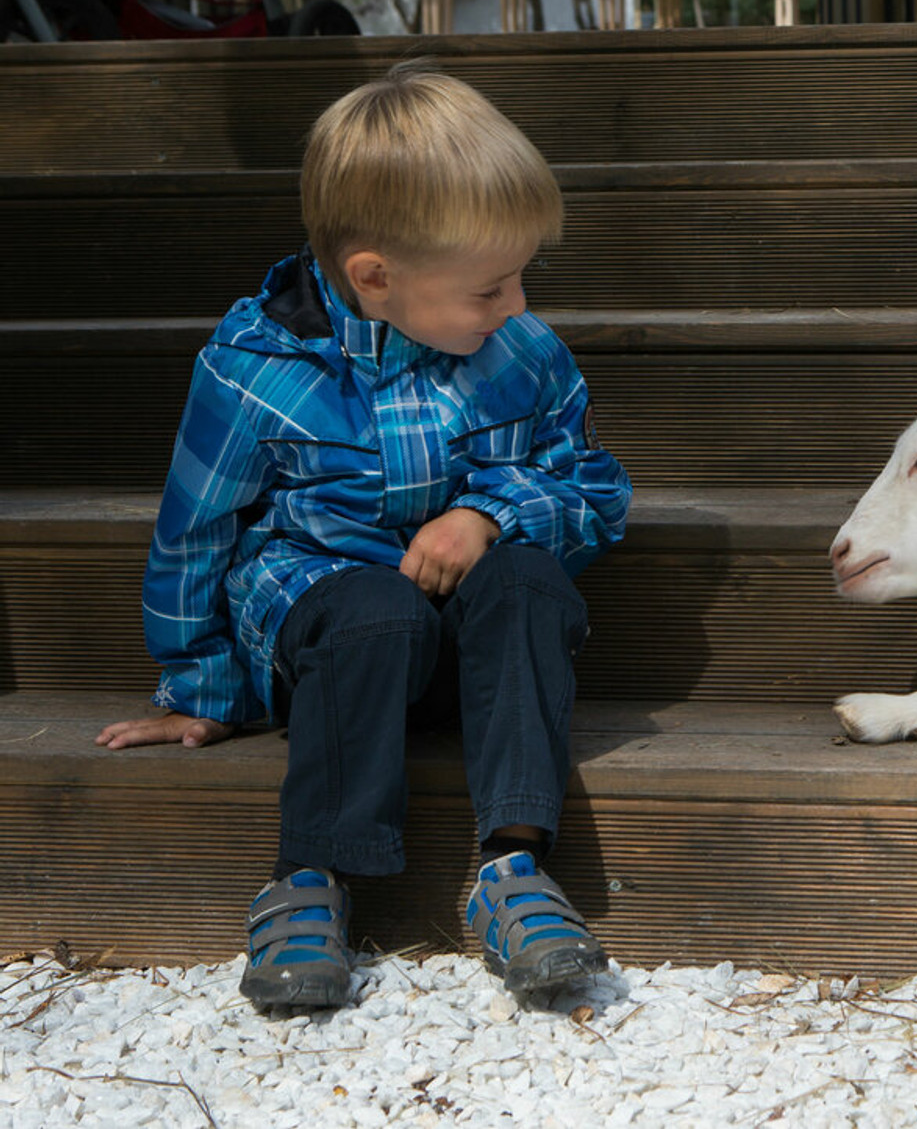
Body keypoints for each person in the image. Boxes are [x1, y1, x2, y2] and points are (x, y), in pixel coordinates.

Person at [96, 60, 632, 1009]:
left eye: (520, 278)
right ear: (375, 279)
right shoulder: (256, 369)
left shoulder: (523, 354)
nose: (515, 304)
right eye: (488, 288)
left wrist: (489, 514)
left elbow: (593, 486)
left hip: (471, 649)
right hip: (334, 642)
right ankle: (310, 877)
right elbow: (195, 533)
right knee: (373, 608)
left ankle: (513, 871)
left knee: (530, 582)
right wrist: (204, 686)